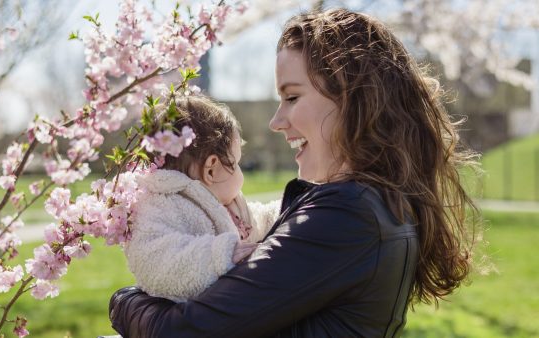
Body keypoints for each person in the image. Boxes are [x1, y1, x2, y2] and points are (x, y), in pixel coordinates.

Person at [108, 8, 480, 337]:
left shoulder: (347, 215)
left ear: (351, 99)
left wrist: (123, 300)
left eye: (292, 97)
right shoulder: (375, 204)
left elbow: (179, 332)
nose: (275, 121)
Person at [125, 95, 280, 302]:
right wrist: (218, 256)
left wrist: (290, 207)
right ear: (212, 170)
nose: (240, 172)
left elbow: (259, 221)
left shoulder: (228, 205)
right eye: (237, 163)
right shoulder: (162, 204)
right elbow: (153, 259)